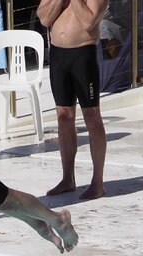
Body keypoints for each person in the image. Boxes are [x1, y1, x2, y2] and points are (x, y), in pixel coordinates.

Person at [36, 0, 110, 200]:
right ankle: (68, 178)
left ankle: (98, 182)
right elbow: (44, 18)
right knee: (63, 115)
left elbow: (89, 22)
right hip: (58, 55)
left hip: (83, 55)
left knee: (92, 115)